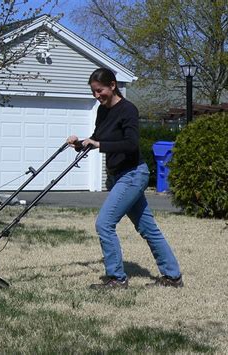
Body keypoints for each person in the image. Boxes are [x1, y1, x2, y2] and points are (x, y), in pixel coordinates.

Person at [67, 67, 183, 289]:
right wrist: (79, 143)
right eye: (93, 92)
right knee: (148, 228)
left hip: (132, 175)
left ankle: (117, 278)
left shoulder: (128, 110)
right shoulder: (102, 112)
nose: (96, 96)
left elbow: (131, 145)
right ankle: (173, 276)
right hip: (117, 177)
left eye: (99, 90)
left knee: (104, 224)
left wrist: (98, 144)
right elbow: (97, 139)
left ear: (112, 86)